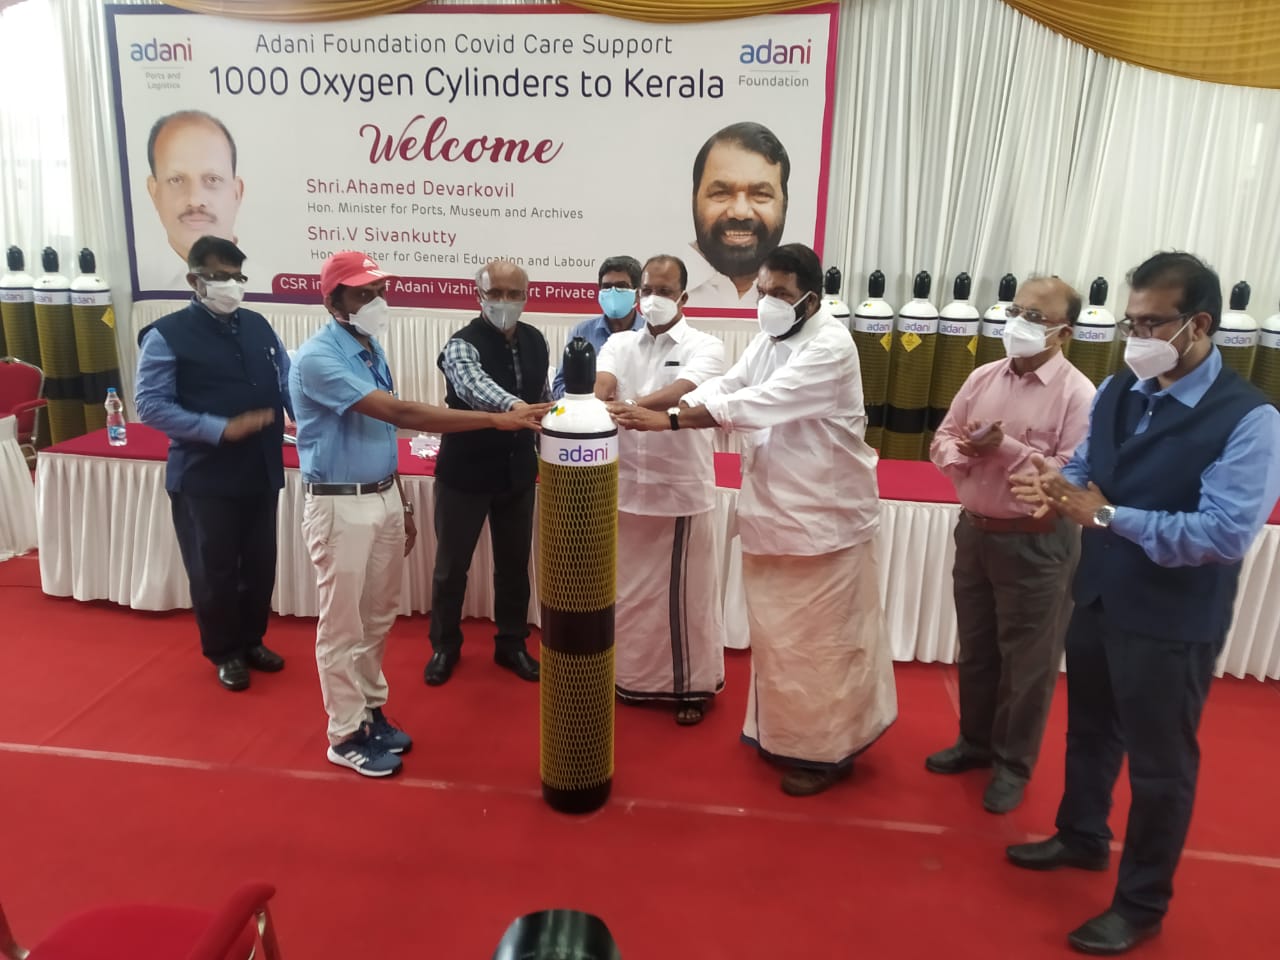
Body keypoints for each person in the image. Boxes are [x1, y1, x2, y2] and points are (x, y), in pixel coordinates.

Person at [1006, 252, 1280, 955]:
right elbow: (1085, 468)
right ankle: (1081, 835)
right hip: (1100, 594)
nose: (1136, 337)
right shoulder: (1118, 389)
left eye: (1152, 324)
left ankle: (1141, 903)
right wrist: (1055, 487)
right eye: (1130, 322)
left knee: (1161, 767)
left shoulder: (1250, 419)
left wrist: (1103, 515)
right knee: (1091, 731)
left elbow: (1223, 534)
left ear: (1199, 324)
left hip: (1172, 618)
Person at [611, 243, 897, 795]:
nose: (767, 302)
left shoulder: (830, 346)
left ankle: (827, 753)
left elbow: (761, 402)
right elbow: (730, 385)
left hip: (825, 522)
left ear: (811, 298)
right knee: (782, 643)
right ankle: (786, 737)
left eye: (780, 294)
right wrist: (669, 407)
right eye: (763, 291)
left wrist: (671, 421)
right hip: (777, 512)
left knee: (822, 646)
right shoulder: (772, 340)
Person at [290, 251, 547, 778]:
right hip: (340, 502)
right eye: (362, 294)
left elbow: (383, 434)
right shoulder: (319, 358)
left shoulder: (370, 349)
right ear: (332, 300)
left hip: (383, 493)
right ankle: (344, 733)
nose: (376, 302)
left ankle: (370, 712)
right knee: (343, 626)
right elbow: (400, 413)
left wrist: (401, 500)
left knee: (377, 617)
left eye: (379, 292)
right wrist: (496, 420)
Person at [925, 277, 1095, 814]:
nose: (1018, 323)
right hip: (976, 531)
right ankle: (974, 744)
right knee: (977, 649)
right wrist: (965, 453)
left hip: (1037, 542)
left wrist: (1005, 449)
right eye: (1016, 310)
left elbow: (1071, 475)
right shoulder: (983, 376)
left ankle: (1012, 765)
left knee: (1028, 663)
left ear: (1064, 332)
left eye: (1036, 317)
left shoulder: (1078, 394)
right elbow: (942, 438)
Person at [134, 236, 288, 692]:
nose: (231, 285)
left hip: (261, 468)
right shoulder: (166, 335)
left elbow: (286, 381)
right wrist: (219, 428)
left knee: (259, 565)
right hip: (205, 475)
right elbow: (151, 406)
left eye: (238, 277)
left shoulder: (258, 325)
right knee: (214, 570)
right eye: (220, 276)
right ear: (194, 279)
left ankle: (253, 640)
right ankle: (225, 652)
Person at [596, 255, 727, 724]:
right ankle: (632, 679)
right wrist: (596, 401)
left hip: (679, 491)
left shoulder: (706, 345)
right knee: (631, 597)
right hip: (627, 490)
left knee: (685, 600)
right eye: (648, 290)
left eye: (665, 291)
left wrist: (631, 404)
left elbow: (685, 390)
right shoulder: (618, 343)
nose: (654, 299)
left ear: (684, 298)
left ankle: (692, 686)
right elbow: (603, 384)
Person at [425, 260, 553, 687]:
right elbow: (473, 386)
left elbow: (543, 398)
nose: (504, 302)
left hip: (518, 473)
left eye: (512, 294)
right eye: (494, 293)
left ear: (526, 297)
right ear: (478, 295)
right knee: (451, 567)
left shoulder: (536, 340)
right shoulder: (461, 344)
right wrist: (517, 408)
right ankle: (445, 646)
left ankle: (511, 644)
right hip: (465, 472)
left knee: (514, 566)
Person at [685, 122, 789, 310]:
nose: (740, 212)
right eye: (721, 193)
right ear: (694, 199)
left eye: (761, 194)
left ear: (784, 203)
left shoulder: (801, 298)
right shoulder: (658, 292)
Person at [144, 110, 243, 290]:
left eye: (212, 179)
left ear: (237, 192)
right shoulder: (147, 281)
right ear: (154, 191)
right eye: (176, 180)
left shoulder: (263, 283)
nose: (195, 200)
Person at [551, 256, 646, 399]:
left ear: (637, 294)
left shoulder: (649, 333)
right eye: (607, 287)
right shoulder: (582, 332)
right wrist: (585, 397)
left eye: (621, 286)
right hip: (588, 410)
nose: (613, 293)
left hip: (637, 410)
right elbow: (559, 385)